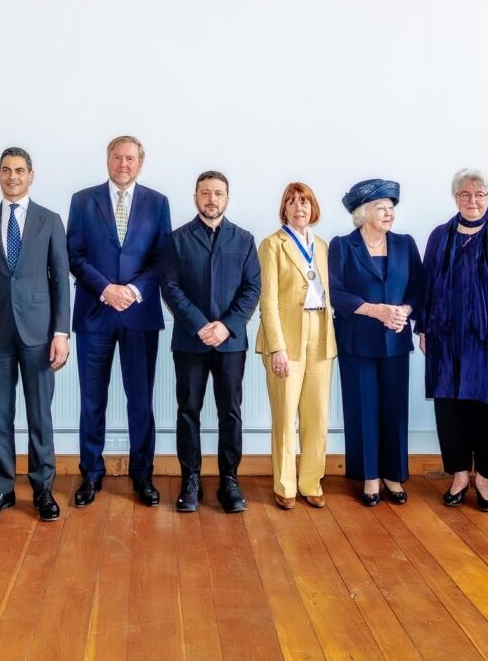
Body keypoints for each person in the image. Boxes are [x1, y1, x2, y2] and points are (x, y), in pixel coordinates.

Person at [0, 147, 71, 522]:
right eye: (6, 170)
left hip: (41, 336)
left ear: (31, 174)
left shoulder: (50, 220)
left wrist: (62, 332)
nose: (13, 177)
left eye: (20, 170)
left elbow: (61, 280)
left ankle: (43, 489)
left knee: (40, 415)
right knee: (0, 416)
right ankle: (4, 490)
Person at [67, 135, 172, 508]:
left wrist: (134, 291)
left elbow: (162, 259)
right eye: (117, 157)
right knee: (92, 400)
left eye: (130, 158)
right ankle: (90, 474)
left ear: (140, 163)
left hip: (139, 317)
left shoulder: (158, 203)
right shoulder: (83, 200)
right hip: (95, 314)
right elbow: (74, 255)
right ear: (107, 160)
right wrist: (106, 289)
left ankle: (142, 474)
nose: (123, 164)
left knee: (140, 401)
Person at [416, 170, 488, 511]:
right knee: (451, 412)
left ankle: (484, 480)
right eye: (465, 194)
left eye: (480, 194)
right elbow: (427, 285)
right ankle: (460, 476)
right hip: (447, 342)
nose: (473, 200)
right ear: (455, 198)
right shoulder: (439, 236)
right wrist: (423, 328)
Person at [160, 171, 261, 513]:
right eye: (205, 193)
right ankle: (191, 479)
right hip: (190, 341)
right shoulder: (177, 239)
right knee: (188, 411)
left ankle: (229, 480)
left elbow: (252, 289)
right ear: (195, 197)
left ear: (227, 198)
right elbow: (170, 288)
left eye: (218, 193)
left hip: (231, 343)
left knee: (229, 413)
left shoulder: (244, 239)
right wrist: (202, 325)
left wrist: (226, 326)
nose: (211, 199)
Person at [329, 179, 424, 506]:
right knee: (362, 409)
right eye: (381, 208)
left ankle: (393, 475)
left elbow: (418, 286)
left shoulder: (405, 243)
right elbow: (336, 292)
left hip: (396, 340)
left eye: (391, 207)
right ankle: (369, 477)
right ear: (362, 213)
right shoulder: (342, 245)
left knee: (395, 410)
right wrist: (376, 311)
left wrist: (405, 310)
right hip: (358, 341)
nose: (389, 213)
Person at [256, 183, 336, 510]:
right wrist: (277, 347)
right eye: (292, 203)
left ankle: (311, 481)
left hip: (320, 332)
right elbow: (268, 299)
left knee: (316, 415)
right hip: (287, 337)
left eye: (304, 202)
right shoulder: (272, 245)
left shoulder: (321, 245)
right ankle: (285, 484)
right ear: (284, 209)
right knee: (286, 415)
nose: (299, 208)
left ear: (313, 208)